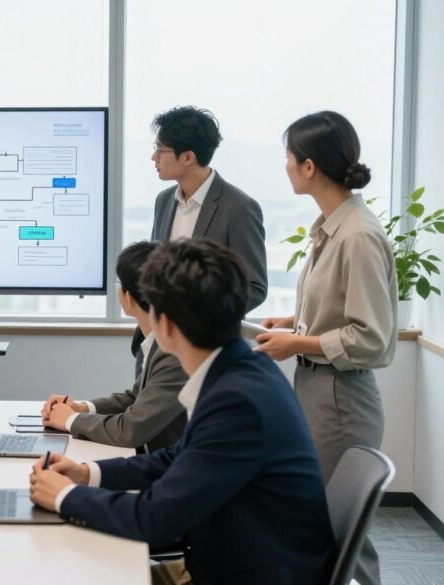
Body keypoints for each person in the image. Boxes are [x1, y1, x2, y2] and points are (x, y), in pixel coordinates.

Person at [29, 240, 334, 585]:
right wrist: (87, 473)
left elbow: (155, 518)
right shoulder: (242, 371)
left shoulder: (237, 401)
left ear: (167, 326)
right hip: (234, 558)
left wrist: (65, 496)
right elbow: (176, 459)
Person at [256, 111, 396, 585]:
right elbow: (338, 314)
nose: (287, 167)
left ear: (309, 166)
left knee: (340, 533)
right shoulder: (331, 226)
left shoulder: (357, 235)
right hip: (319, 390)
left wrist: (298, 340)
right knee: (319, 524)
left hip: (340, 399)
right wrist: (296, 324)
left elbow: (371, 338)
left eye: (289, 158)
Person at [131, 106, 268, 367]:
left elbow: (255, 287)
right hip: (159, 349)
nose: (153, 157)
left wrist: (198, 316)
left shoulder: (238, 207)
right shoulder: (164, 201)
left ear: (188, 157)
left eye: (160, 150)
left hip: (210, 353)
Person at [39, 241, 187, 452]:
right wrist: (82, 408)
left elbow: (130, 429)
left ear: (128, 296)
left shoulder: (172, 351)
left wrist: (71, 420)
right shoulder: (158, 342)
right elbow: (136, 398)